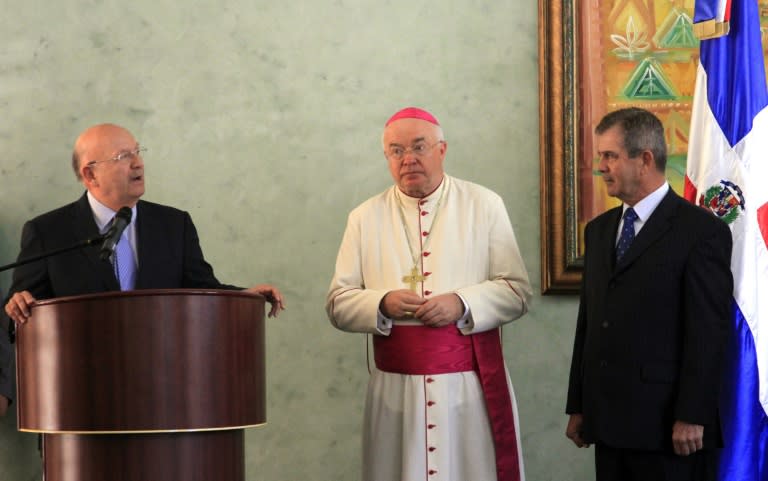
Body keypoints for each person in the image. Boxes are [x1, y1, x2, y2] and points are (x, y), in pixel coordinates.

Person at [2, 123, 285, 407]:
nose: (138, 163)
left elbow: (201, 290)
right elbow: (17, 308)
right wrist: (17, 305)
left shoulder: (174, 225)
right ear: (90, 174)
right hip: (78, 399)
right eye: (123, 156)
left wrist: (244, 295)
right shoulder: (49, 231)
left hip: (162, 398)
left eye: (137, 152)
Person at [326, 107, 532, 481]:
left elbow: (517, 292)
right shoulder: (364, 217)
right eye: (396, 151)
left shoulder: (484, 205)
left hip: (468, 391)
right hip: (394, 395)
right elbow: (338, 303)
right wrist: (382, 302)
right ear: (386, 157)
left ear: (442, 149)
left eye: (419, 147)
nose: (408, 159)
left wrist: (461, 302)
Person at [565, 108, 733, 481]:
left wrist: (692, 414)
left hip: (667, 429)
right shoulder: (599, 230)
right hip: (607, 422)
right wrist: (578, 405)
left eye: (609, 156)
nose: (600, 166)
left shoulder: (701, 231)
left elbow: (707, 333)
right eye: (600, 157)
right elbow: (589, 322)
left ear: (644, 159)